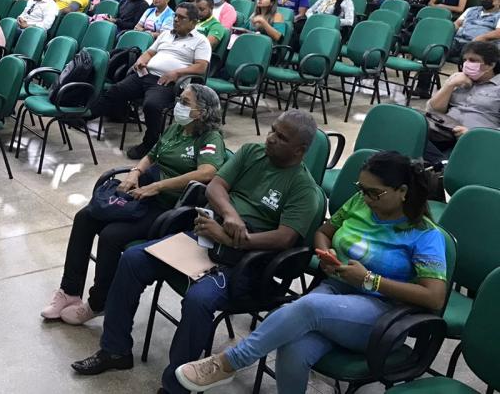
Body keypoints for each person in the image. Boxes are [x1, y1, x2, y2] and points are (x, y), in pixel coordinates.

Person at [70, 111, 320, 393]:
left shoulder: (305, 189)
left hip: (245, 261)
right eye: (272, 130)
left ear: (300, 150)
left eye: (281, 137)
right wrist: (230, 217)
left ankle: (177, 386)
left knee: (199, 299)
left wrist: (233, 238)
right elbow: (216, 186)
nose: (271, 138)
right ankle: (115, 350)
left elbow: (283, 239)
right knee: (133, 260)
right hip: (209, 235)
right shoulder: (252, 152)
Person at [177, 151, 446, 394]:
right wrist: (325, 254)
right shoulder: (359, 203)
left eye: (374, 193)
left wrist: (369, 279)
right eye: (361, 189)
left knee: (308, 307)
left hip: (383, 315)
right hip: (336, 291)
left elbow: (433, 297)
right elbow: (323, 233)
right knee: (293, 346)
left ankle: (231, 361)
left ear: (402, 191)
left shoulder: (425, 235)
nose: (365, 197)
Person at [42, 85, 226, 325]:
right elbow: (152, 153)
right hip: (143, 193)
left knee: (111, 235)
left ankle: (98, 303)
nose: (178, 105)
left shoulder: (210, 138)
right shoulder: (176, 128)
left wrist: (159, 186)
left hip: (168, 208)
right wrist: (135, 172)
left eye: (185, 101)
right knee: (84, 217)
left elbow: (208, 172)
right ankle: (69, 292)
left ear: (201, 112)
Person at [90, 3, 210, 161]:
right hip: (145, 74)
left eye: (181, 18)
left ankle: (150, 143)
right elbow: (149, 52)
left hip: (168, 81)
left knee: (152, 105)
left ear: (193, 22)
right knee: (115, 90)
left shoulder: (201, 41)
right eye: (175, 16)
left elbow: (202, 67)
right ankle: (86, 115)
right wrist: (141, 60)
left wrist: (176, 73)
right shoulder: (166, 34)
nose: (176, 20)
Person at [422, 41, 500, 167]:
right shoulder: (459, 79)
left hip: (475, 141)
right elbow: (433, 109)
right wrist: (450, 85)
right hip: (442, 132)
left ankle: (443, 166)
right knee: (409, 136)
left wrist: (473, 134)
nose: (467, 64)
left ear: (490, 64)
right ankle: (442, 165)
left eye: (473, 60)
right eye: (465, 60)